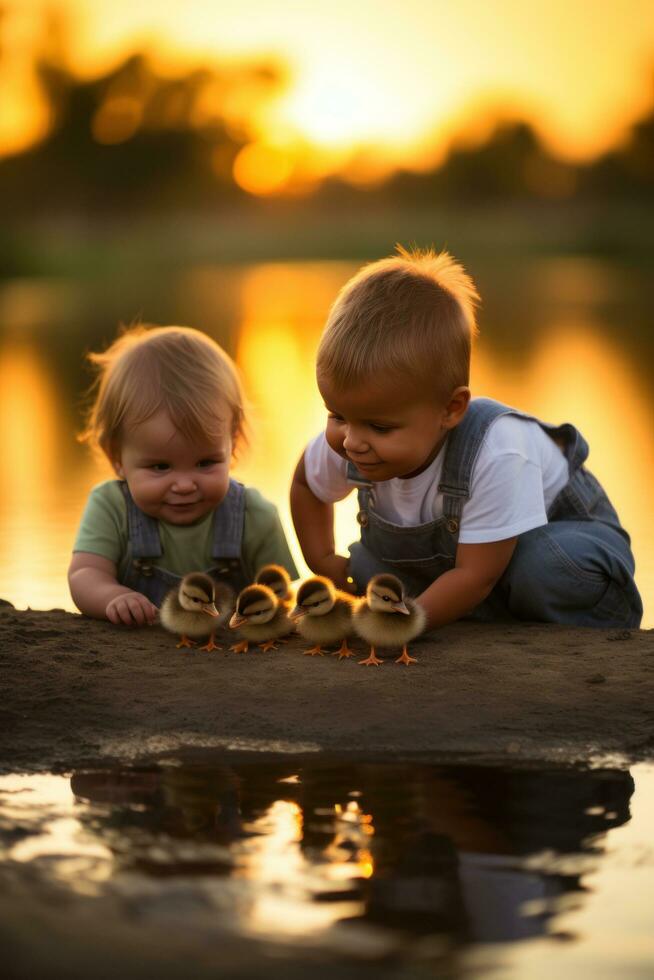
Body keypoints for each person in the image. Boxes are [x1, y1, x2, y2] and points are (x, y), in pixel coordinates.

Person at [290, 247, 642, 629]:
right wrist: (324, 560)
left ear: (451, 409)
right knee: (369, 569)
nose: (351, 442)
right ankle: (467, 615)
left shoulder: (498, 451)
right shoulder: (353, 436)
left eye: (380, 428)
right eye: (337, 415)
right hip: (470, 570)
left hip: (562, 552)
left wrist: (405, 627)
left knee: (540, 568)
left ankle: (567, 625)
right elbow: (305, 483)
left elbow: (477, 576)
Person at [69, 324, 297, 626]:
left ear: (233, 442)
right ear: (117, 457)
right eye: (160, 467)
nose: (186, 485)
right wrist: (113, 597)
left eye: (205, 462)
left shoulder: (255, 516)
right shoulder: (111, 507)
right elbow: (84, 574)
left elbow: (282, 595)